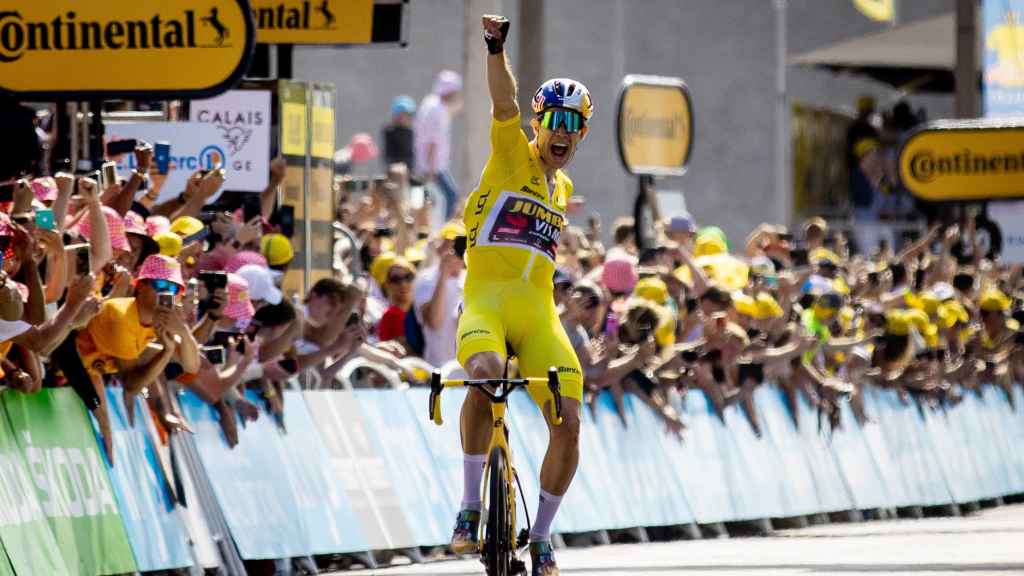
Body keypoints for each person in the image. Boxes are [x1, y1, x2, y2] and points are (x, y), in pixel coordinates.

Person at [451, 14, 593, 575]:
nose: (561, 131)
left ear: (581, 132)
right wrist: (494, 47)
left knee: (571, 421)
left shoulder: (563, 186)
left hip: (539, 316)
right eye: (553, 119)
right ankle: (468, 507)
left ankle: (540, 537)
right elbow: (504, 101)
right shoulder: (514, 153)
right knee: (485, 372)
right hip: (486, 300)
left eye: (572, 123)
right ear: (540, 123)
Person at [414, 70, 463, 219]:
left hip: (428, 165)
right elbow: (432, 141)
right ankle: (445, 229)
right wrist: (431, 170)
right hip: (433, 167)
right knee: (452, 195)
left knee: (428, 201)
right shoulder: (437, 109)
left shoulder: (431, 104)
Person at [383, 95, 416, 170]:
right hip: (394, 170)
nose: (407, 118)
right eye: (404, 115)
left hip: (409, 170)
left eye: (409, 115)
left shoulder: (410, 131)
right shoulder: (389, 131)